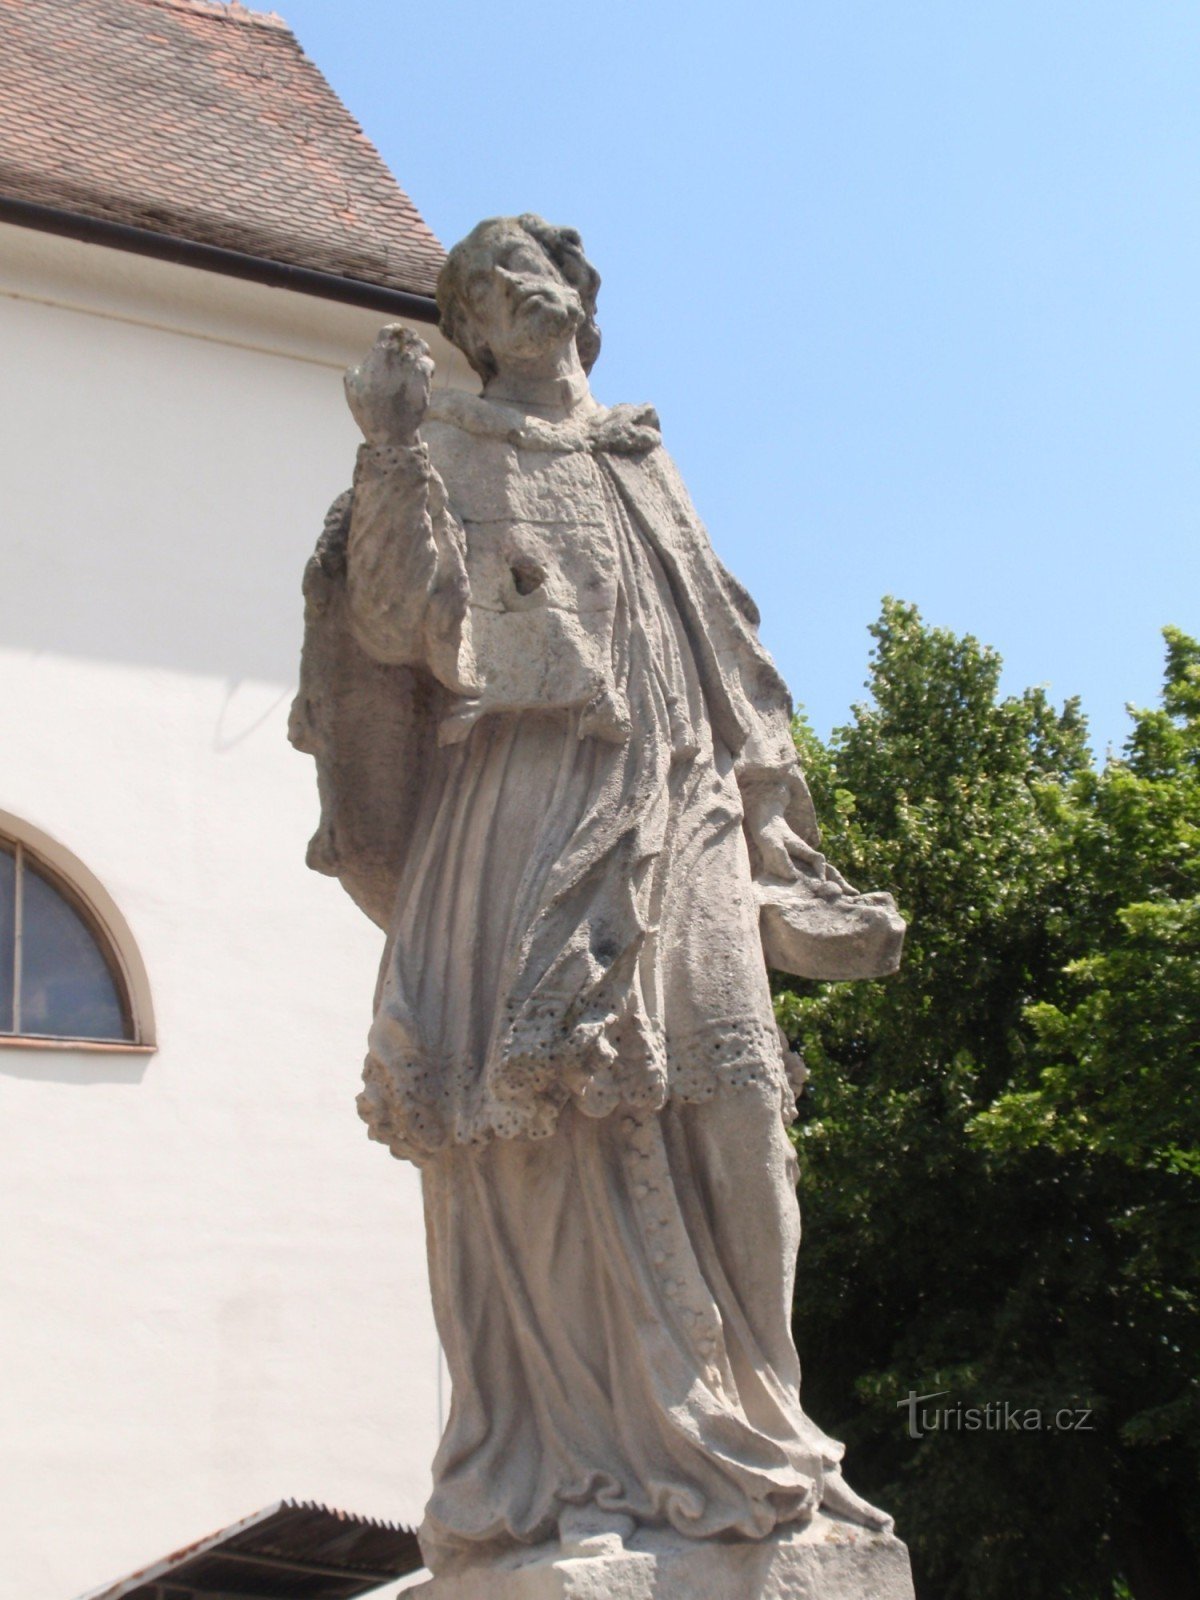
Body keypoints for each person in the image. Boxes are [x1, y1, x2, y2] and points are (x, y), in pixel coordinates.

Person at [291, 214, 902, 1575]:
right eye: (487, 281)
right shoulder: (445, 441)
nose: (519, 287)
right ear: (471, 326)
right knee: (548, 1119)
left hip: (676, 800)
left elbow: (727, 646)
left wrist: (775, 838)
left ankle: (769, 1427)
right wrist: (392, 445)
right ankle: (577, 1454)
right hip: (521, 804)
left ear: (577, 296)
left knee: (740, 1100)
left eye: (539, 266)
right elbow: (395, 627)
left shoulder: (640, 451)